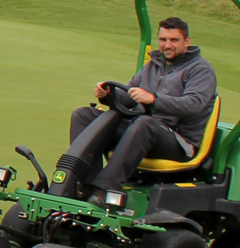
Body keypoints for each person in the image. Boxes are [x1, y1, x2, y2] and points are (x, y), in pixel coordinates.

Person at [59, 16, 217, 198]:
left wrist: (153, 99)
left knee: (145, 124)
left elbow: (193, 105)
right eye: (163, 40)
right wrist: (108, 94)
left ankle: (104, 190)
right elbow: (127, 97)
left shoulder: (200, 70)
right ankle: (84, 186)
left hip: (178, 141)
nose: (167, 45)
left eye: (174, 40)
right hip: (142, 130)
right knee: (84, 115)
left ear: (187, 42)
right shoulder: (153, 65)